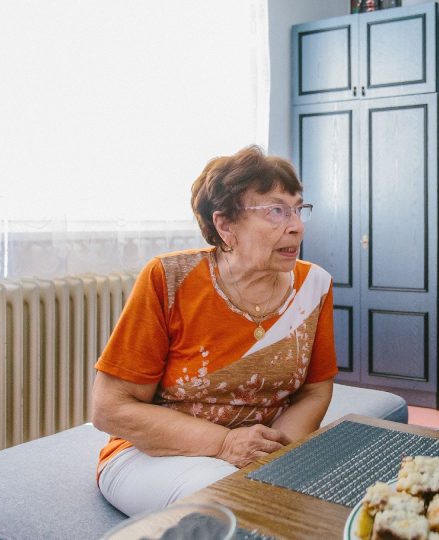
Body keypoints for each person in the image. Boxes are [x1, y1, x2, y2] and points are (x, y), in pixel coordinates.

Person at [91, 145, 337, 515]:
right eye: (275, 211)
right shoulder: (168, 279)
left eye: (298, 209)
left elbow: (315, 391)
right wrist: (225, 445)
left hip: (260, 452)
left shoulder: (314, 284)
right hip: (154, 454)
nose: (296, 225)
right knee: (234, 507)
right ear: (226, 225)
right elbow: (109, 408)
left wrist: (275, 455)